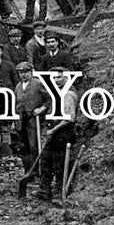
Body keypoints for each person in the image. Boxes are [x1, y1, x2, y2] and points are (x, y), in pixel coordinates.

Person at [36, 65, 78, 203]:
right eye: (53, 78)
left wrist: (52, 131)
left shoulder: (68, 94)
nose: (56, 80)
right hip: (53, 132)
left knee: (60, 165)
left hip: (63, 133)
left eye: (59, 77)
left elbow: (68, 119)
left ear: (67, 77)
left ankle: (61, 193)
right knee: (46, 161)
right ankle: (44, 191)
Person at [12, 61, 45, 198]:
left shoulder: (38, 84)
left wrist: (41, 109)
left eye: (26, 72)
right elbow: (16, 104)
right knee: (23, 147)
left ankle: (37, 171)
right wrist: (14, 121)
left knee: (34, 146)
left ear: (31, 72)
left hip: (33, 119)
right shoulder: (18, 86)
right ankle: (28, 171)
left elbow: (49, 100)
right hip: (21, 120)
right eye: (21, 73)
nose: (23, 75)